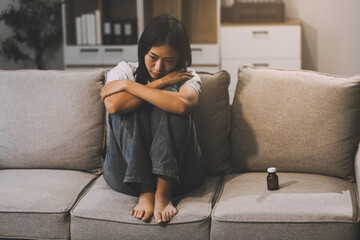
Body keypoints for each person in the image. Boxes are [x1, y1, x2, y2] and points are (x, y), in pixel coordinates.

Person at [100, 14, 204, 224]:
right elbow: (113, 105)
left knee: (172, 96)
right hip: (125, 173)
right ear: (143, 50)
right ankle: (145, 191)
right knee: (130, 102)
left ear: (181, 58)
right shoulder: (126, 71)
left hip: (180, 175)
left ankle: (163, 194)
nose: (158, 68)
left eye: (168, 61)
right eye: (153, 57)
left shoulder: (187, 76)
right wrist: (152, 83)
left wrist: (135, 88)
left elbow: (183, 105)